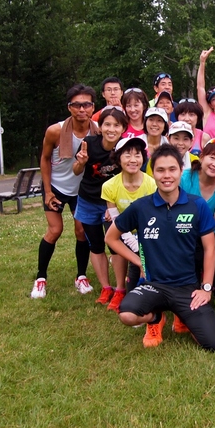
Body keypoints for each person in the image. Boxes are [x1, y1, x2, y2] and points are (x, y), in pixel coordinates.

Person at [105, 144, 215, 350]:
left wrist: (206, 288)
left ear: (181, 171)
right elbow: (111, 238)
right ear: (153, 172)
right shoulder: (141, 207)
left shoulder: (196, 205)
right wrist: (138, 261)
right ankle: (156, 317)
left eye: (172, 169)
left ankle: (183, 315)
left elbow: (209, 249)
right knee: (127, 314)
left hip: (187, 287)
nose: (166, 175)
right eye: (160, 170)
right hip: (153, 284)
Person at [31, 84, 99, 299]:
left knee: (81, 232)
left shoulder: (98, 130)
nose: (82, 109)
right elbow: (44, 158)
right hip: (57, 186)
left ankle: (81, 276)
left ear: (93, 107)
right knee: (55, 230)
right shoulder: (55, 130)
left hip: (82, 190)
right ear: (69, 107)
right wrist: (48, 191)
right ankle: (41, 278)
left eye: (86, 104)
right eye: (77, 105)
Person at [73, 107, 126, 307]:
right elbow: (76, 171)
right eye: (107, 124)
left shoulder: (124, 148)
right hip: (88, 201)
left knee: (115, 246)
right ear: (100, 126)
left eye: (116, 125)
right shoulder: (89, 145)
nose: (111, 129)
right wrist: (81, 162)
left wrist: (111, 206)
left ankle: (120, 288)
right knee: (95, 245)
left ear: (123, 128)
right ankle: (106, 287)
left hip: (111, 203)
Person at [180, 139, 215, 317]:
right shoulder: (186, 177)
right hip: (186, 225)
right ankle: (196, 291)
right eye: (212, 157)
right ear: (201, 157)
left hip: (213, 228)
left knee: (204, 251)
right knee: (195, 252)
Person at [101, 136, 157, 310]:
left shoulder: (152, 184)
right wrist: (136, 249)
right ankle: (128, 291)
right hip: (124, 233)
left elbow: (156, 219)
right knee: (137, 260)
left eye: (137, 154)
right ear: (118, 158)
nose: (133, 159)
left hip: (150, 231)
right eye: (127, 154)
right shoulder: (109, 186)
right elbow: (116, 222)